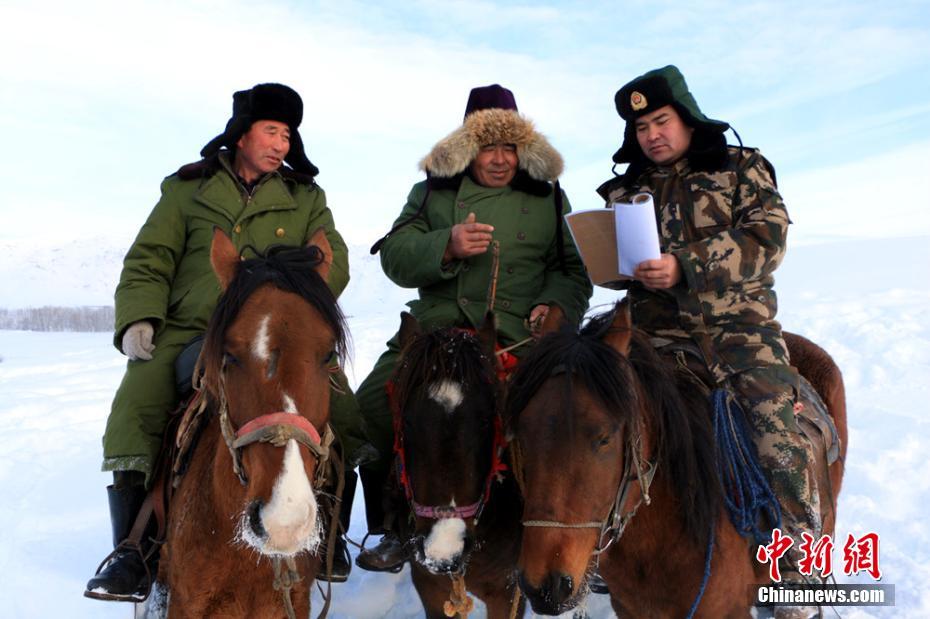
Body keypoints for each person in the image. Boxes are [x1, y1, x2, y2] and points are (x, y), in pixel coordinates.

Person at [85, 83, 363, 601]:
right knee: (137, 403)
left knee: (341, 406)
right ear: (241, 134)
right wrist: (139, 318)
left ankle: (329, 533)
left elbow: (335, 259)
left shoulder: (306, 198)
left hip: (275, 331)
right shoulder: (186, 191)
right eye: (271, 131)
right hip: (191, 330)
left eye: (288, 135)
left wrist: (292, 287)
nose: (281, 145)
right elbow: (149, 258)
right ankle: (134, 550)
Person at [597, 65, 821, 610]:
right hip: (657, 340)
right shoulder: (625, 192)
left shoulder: (740, 167)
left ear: (687, 119)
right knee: (602, 424)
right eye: (641, 127)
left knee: (774, 429)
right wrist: (615, 266)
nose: (652, 135)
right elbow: (614, 269)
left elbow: (767, 239)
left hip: (740, 335)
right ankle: (599, 544)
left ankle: (799, 562)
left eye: (661, 121)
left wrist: (684, 266)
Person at [355, 84, 593, 571]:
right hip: (438, 333)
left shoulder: (547, 197)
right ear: (467, 147)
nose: (500, 159)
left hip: (517, 334)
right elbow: (395, 257)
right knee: (371, 408)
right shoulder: (432, 193)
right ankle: (394, 526)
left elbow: (573, 270)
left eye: (510, 146)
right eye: (488, 147)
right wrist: (446, 244)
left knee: (567, 420)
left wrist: (552, 305)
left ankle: (566, 539)